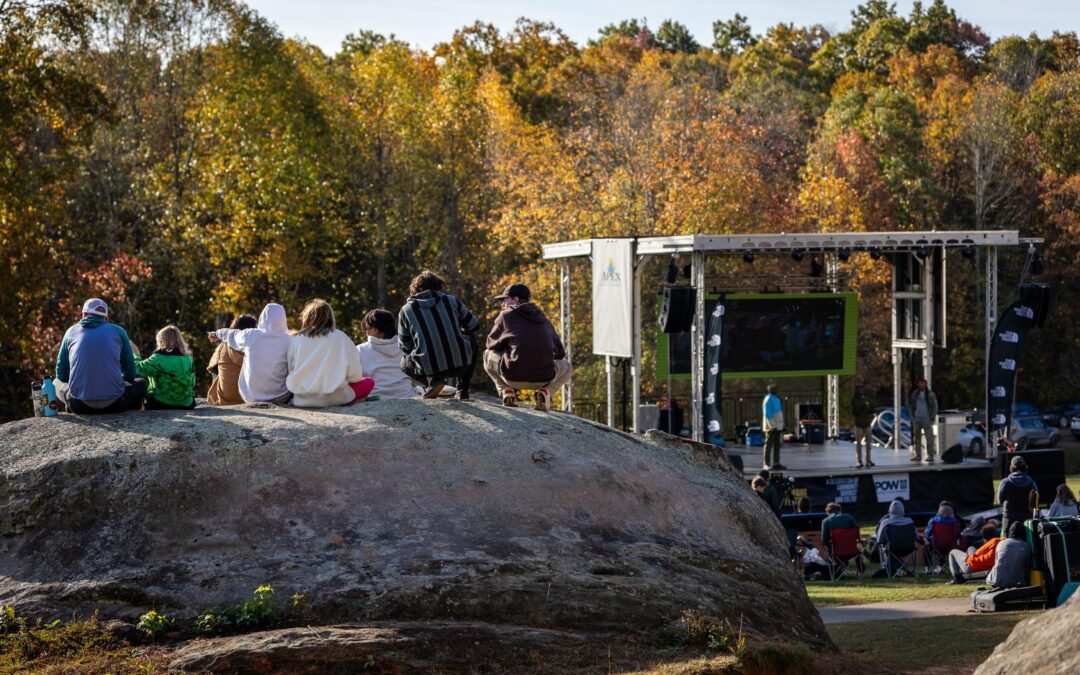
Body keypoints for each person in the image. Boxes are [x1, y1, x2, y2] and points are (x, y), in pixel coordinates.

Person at [484, 283, 572, 411]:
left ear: (515, 300)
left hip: (512, 376)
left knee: (487, 354)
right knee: (567, 366)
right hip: (543, 378)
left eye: (505, 300)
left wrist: (507, 347)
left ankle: (506, 391)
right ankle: (545, 393)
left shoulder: (505, 315)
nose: (503, 304)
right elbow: (560, 353)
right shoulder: (543, 318)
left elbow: (490, 344)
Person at [53, 298, 147, 414]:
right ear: (105, 317)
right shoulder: (119, 331)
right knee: (141, 383)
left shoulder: (71, 331)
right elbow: (130, 373)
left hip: (79, 405)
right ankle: (133, 413)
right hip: (115, 404)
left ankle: (70, 407)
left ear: (84, 314)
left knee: (55, 383)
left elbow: (61, 372)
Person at [398, 270, 480, 399]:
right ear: (439, 286)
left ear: (415, 289)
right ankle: (462, 389)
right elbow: (474, 325)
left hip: (428, 368)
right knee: (471, 339)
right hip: (460, 364)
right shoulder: (451, 300)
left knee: (404, 363)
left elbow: (404, 345)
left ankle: (433, 382)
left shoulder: (406, 310)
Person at [286, 299, 374, 408]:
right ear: (330, 317)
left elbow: (291, 370)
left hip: (302, 400)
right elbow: (355, 377)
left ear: (307, 318)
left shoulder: (296, 340)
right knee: (369, 382)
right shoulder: (342, 337)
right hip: (336, 399)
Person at [209, 303, 292, 405]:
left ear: (262, 317)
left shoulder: (251, 335)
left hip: (252, 397)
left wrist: (216, 333)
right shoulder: (289, 340)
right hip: (281, 397)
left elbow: (230, 333)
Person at [357, 309, 420, 399]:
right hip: (406, 395)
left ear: (374, 330)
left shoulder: (360, 350)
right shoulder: (406, 347)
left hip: (376, 398)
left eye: (366, 329)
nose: (366, 333)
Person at [135, 325, 196, 410]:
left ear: (162, 342)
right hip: (187, 403)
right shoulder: (188, 359)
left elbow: (136, 368)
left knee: (139, 383)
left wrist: (135, 354)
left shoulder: (158, 358)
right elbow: (193, 382)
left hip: (161, 403)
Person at [207, 314, 257, 406]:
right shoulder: (257, 347)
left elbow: (211, 368)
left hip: (224, 401)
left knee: (216, 364)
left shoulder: (223, 346)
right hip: (251, 398)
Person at [998, 455, 1038, 535]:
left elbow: (1000, 501)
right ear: (1025, 467)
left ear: (1012, 467)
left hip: (1009, 518)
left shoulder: (1004, 483)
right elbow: (1035, 502)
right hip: (1027, 519)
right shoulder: (1031, 483)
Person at [986, 521, 1031, 589]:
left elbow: (997, 561)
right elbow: (1027, 567)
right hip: (1015, 583)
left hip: (995, 581)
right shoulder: (1025, 546)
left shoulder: (1001, 543)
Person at [908, 377, 938, 463]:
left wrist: (932, 417)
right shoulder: (914, 394)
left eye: (923, 383)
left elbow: (935, 406)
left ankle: (930, 455)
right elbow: (911, 406)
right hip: (917, 418)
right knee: (916, 438)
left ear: (925, 384)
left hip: (927, 419)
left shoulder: (930, 394)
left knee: (929, 438)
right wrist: (912, 417)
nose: (921, 384)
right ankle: (918, 455)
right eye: (920, 383)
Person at [762, 384, 785, 470]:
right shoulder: (768, 399)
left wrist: (781, 425)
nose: (777, 390)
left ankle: (776, 463)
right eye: (775, 389)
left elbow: (779, 412)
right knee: (768, 444)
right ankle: (766, 464)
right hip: (771, 426)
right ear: (771, 390)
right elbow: (768, 414)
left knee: (777, 445)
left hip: (778, 426)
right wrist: (772, 425)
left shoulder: (776, 398)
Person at [851, 383, 875, 468]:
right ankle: (859, 461)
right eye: (859, 389)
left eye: (861, 388)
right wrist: (862, 406)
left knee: (869, 444)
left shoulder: (866, 398)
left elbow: (871, 409)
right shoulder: (854, 400)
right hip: (859, 424)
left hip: (867, 423)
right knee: (858, 444)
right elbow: (855, 412)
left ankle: (868, 460)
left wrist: (868, 406)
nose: (860, 390)